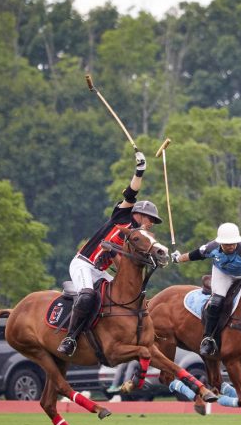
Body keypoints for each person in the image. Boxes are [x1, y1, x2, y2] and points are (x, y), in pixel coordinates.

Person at [57, 151, 162, 357]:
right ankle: (70, 337)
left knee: (129, 296)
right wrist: (139, 171)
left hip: (100, 271)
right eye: (150, 219)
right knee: (87, 295)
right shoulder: (121, 216)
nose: (150, 224)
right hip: (84, 264)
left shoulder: (138, 238)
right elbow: (131, 194)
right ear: (139, 214)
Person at [171, 222, 241, 356]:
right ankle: (208, 339)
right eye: (227, 244)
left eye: (233, 243)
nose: (231, 246)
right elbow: (193, 255)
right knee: (216, 302)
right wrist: (178, 258)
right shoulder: (211, 247)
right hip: (223, 274)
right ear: (220, 243)